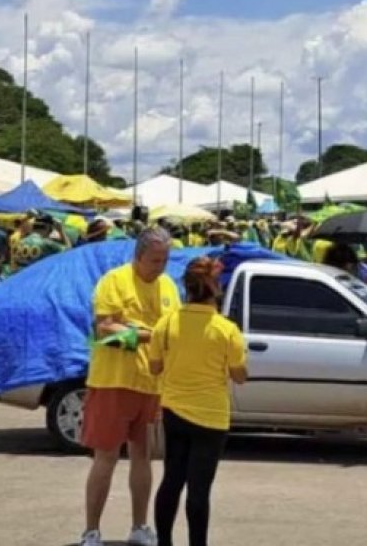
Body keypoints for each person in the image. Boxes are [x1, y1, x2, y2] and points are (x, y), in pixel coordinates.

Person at [79, 227, 180, 546]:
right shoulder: (114, 281)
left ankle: (139, 527)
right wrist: (146, 335)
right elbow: (104, 331)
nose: (160, 266)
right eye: (154, 260)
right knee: (105, 457)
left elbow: (173, 331)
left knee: (144, 456)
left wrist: (140, 331)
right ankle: (92, 531)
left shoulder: (168, 286)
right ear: (138, 256)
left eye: (164, 259)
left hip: (150, 385)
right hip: (113, 382)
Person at [150, 257, 248, 546]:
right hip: (211, 417)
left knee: (171, 480)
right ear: (215, 288)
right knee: (199, 489)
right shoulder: (226, 329)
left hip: (174, 411)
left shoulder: (166, 324)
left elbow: (155, 367)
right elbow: (239, 375)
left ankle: (164, 541)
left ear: (187, 288)